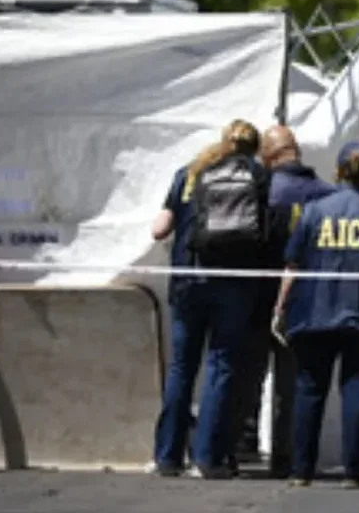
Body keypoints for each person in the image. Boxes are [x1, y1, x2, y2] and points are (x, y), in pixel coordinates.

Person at [271, 141, 359, 488]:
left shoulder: (314, 210)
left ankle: (301, 470)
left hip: (314, 311)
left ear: (339, 171)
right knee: (356, 388)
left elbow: (293, 265)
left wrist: (280, 306)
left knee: (309, 389)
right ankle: (353, 470)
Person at [150, 119, 271, 479]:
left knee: (182, 368)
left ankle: (168, 457)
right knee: (221, 366)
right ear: (254, 148)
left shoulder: (188, 173)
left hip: (188, 282)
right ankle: (207, 457)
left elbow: (159, 229)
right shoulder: (259, 176)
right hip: (234, 283)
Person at [231, 125, 335, 476]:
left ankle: (231, 447)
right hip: (307, 300)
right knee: (293, 385)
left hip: (259, 296)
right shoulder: (326, 195)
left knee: (247, 376)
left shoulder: (262, 190)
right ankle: (286, 457)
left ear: (268, 155)